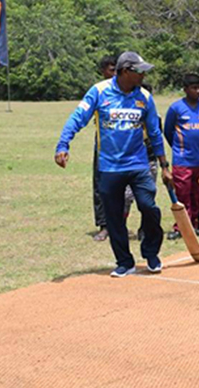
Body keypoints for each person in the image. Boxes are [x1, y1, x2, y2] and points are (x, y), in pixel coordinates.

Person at [55, 51, 172, 277]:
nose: (143, 76)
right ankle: (124, 261)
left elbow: (155, 133)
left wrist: (165, 166)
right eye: (139, 72)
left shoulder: (145, 97)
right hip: (109, 167)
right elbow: (77, 118)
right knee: (114, 217)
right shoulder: (99, 92)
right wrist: (63, 145)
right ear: (126, 71)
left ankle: (151, 253)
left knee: (149, 208)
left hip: (138, 165)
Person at [164, 73, 199, 241]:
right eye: (194, 88)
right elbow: (167, 131)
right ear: (185, 89)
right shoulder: (176, 108)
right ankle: (180, 227)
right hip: (182, 161)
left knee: (196, 195)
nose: (197, 91)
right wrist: (179, 148)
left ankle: (193, 225)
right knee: (182, 195)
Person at [92, 55, 118, 241]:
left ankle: (118, 223)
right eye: (111, 69)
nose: (114, 73)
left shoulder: (125, 91)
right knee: (100, 186)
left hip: (125, 146)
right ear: (103, 71)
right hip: (104, 146)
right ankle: (103, 225)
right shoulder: (99, 92)